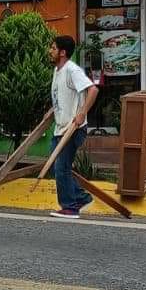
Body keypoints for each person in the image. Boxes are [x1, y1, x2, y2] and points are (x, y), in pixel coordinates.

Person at [48, 34, 98, 218]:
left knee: (61, 168)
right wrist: (52, 111)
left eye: (53, 48)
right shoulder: (58, 71)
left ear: (62, 52)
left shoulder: (72, 70)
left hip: (73, 128)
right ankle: (81, 197)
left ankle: (70, 207)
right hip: (60, 128)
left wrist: (82, 113)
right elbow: (63, 97)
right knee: (55, 167)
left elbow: (93, 90)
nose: (50, 51)